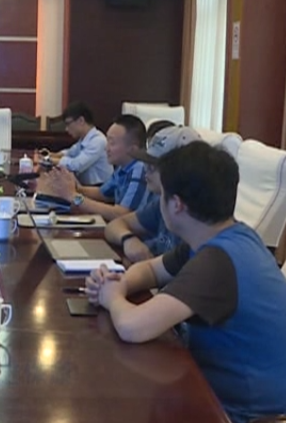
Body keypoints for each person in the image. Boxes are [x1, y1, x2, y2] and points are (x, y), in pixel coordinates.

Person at [86, 142, 286, 423]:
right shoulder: (227, 237)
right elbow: (151, 270)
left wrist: (111, 297)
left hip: (245, 414)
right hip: (220, 393)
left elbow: (133, 327)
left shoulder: (216, 262)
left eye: (162, 195)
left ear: (177, 204)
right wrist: (118, 281)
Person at [105, 126, 202, 262]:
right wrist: (128, 239)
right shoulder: (161, 202)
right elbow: (114, 225)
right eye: (146, 163)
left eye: (153, 166)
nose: (146, 169)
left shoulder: (195, 220)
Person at [37, 114, 151, 222]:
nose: (106, 148)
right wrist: (74, 187)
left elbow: (121, 214)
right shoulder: (123, 166)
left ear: (133, 149)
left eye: (112, 143)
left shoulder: (139, 169)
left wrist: (74, 196)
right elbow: (102, 194)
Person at [35, 101, 112, 186]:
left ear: (81, 121)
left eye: (68, 124)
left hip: (99, 189)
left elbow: (75, 166)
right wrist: (49, 155)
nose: (66, 129)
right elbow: (68, 153)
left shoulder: (98, 141)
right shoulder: (83, 140)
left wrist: (47, 159)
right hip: (86, 187)